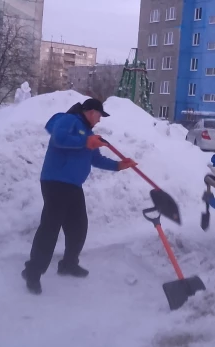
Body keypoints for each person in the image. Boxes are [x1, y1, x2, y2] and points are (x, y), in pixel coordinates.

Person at [21, 98, 137, 295]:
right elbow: (59, 139)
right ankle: (32, 272)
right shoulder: (68, 120)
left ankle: (68, 264)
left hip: (74, 186)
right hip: (56, 182)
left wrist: (118, 165)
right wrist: (85, 142)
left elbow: (97, 159)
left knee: (78, 228)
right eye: (99, 115)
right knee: (50, 228)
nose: (99, 120)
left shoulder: (89, 134)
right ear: (90, 111)